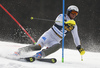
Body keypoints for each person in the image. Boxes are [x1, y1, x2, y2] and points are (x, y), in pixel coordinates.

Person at [14, 5, 85, 61]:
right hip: (49, 35)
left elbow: (76, 37)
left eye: (76, 13)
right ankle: (19, 51)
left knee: (58, 46)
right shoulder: (61, 16)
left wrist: (79, 47)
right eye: (73, 12)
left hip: (56, 40)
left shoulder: (74, 26)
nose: (74, 15)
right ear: (68, 12)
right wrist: (65, 24)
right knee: (38, 46)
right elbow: (57, 21)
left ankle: (40, 54)